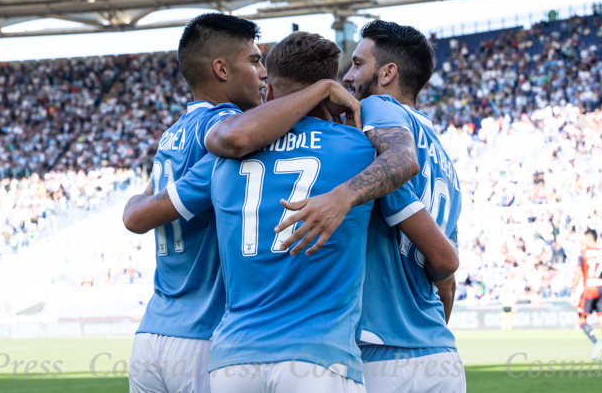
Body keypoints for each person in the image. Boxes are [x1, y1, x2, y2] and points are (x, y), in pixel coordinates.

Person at [171, 32, 446, 392]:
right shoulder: (360, 151)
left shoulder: (224, 158)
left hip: (233, 358)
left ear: (270, 89)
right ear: (333, 87)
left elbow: (218, 143)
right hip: (319, 357)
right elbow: (441, 253)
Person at [123, 21, 363, 393]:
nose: (264, 73)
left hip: (152, 329)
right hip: (203, 334)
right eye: (254, 61)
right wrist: (319, 91)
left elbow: (139, 209)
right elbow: (238, 137)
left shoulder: (174, 133)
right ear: (222, 70)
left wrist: (136, 201)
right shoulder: (225, 130)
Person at [322, 20, 465, 393]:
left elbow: (400, 157)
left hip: (380, 351)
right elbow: (445, 281)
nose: (348, 76)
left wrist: (341, 196)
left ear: (387, 73)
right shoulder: (446, 160)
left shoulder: (376, 106)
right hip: (438, 354)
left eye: (357, 63)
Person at [571, 228, 602, 363]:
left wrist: (573, 290)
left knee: (582, 319)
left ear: (589, 240)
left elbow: (578, 273)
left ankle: (596, 342)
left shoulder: (583, 254)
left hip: (589, 288)